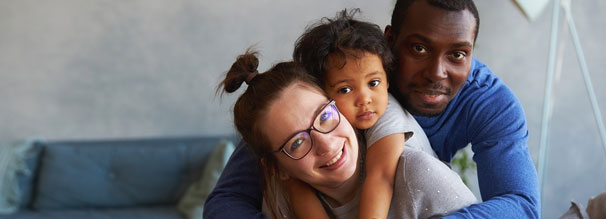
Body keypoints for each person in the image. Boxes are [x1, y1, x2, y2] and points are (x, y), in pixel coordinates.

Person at [205, 0, 540, 218]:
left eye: (458, 54)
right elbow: (230, 200)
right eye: (419, 48)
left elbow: (522, 206)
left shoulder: (491, 104)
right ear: (389, 42)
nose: (437, 73)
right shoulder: (327, 82)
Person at [217, 49, 476, 218]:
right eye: (297, 143)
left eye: (325, 116)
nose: (326, 144)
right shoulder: (280, 206)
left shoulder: (417, 176)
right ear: (277, 169)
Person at [287, 9, 442, 219]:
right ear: (321, 94)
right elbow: (298, 186)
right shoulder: (321, 125)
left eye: (373, 83)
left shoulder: (388, 115)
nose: (365, 99)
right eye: (345, 89)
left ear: (387, 80)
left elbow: (381, 177)